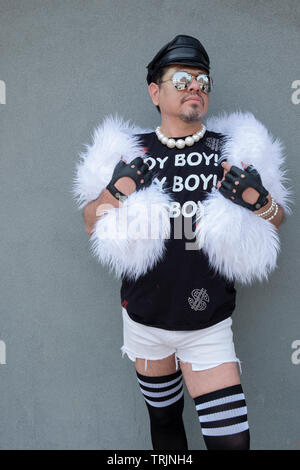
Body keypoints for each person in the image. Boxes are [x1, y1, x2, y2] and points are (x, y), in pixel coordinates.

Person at [73, 35, 293, 450]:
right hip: (145, 322)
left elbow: (277, 219)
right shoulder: (128, 151)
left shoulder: (231, 150)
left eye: (202, 81)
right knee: (166, 425)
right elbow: (90, 221)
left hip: (207, 324)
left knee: (232, 443)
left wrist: (259, 200)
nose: (196, 87)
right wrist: (116, 191)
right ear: (155, 91)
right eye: (182, 79)